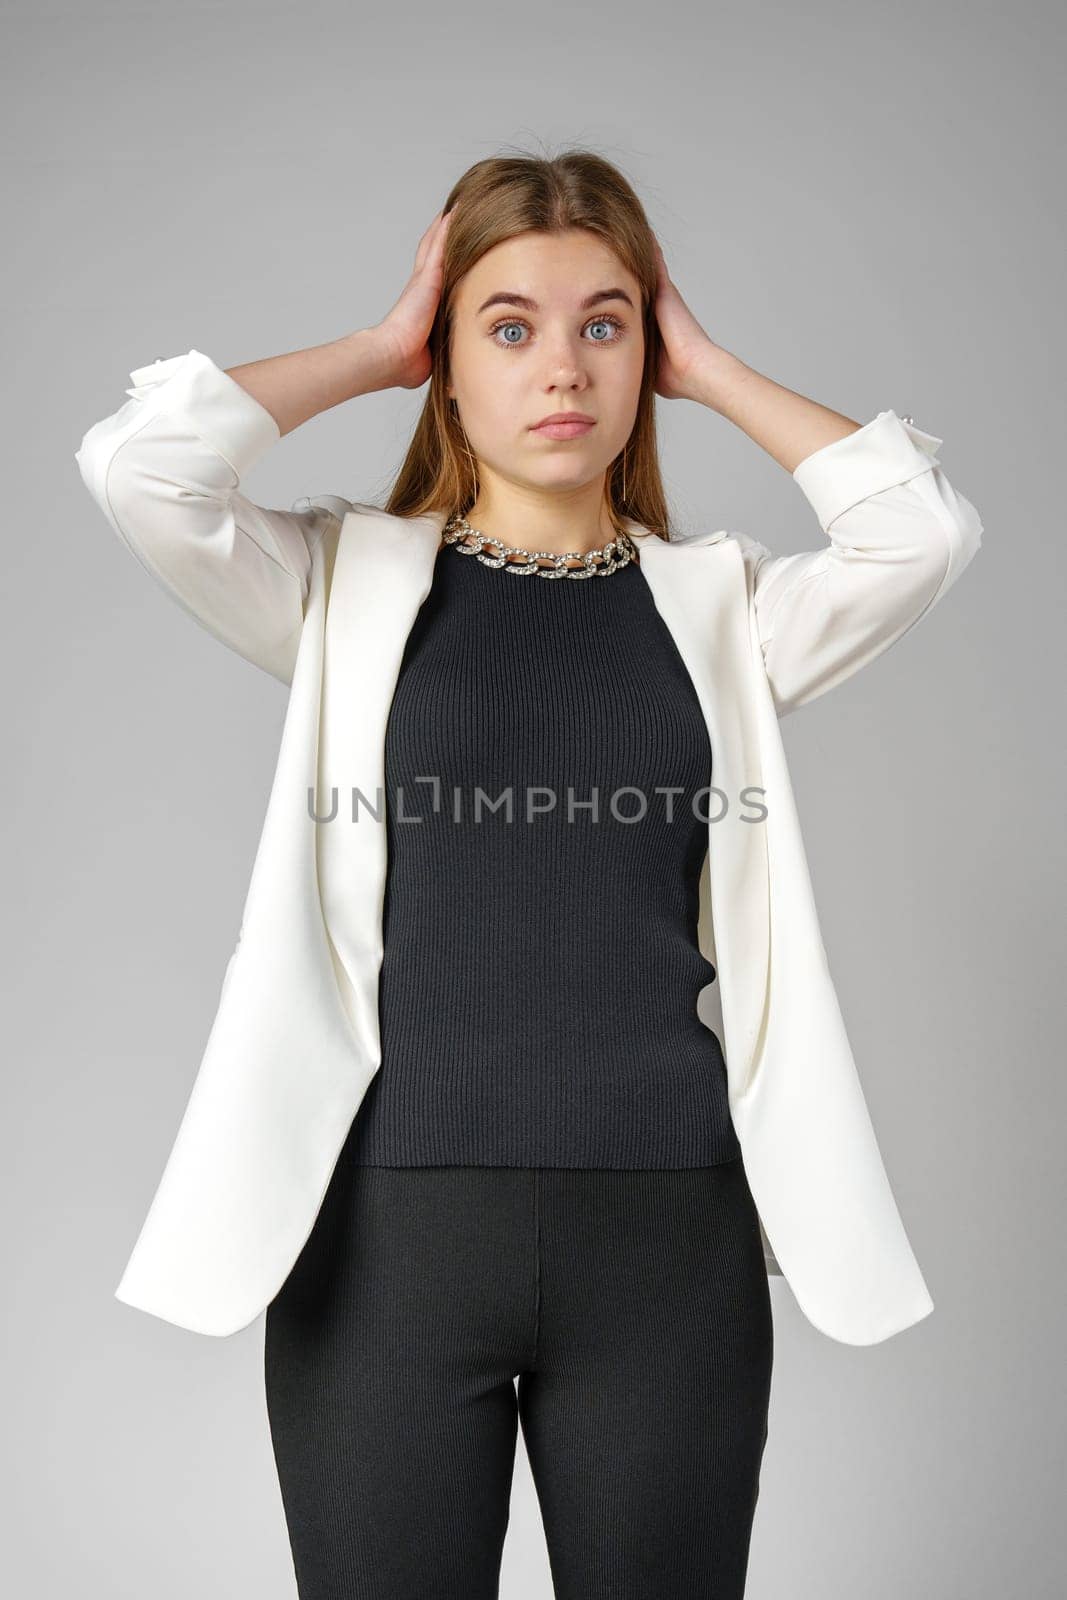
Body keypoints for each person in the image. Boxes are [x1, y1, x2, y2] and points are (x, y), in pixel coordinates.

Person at [74, 148, 982, 1599]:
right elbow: (142, 468)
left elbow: (918, 533)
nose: (562, 365)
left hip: (666, 1245)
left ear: (645, 350)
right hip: (382, 1248)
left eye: (603, 324)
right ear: (451, 360)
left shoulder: (724, 611)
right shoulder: (339, 590)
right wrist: (382, 345)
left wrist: (711, 365)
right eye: (509, 327)